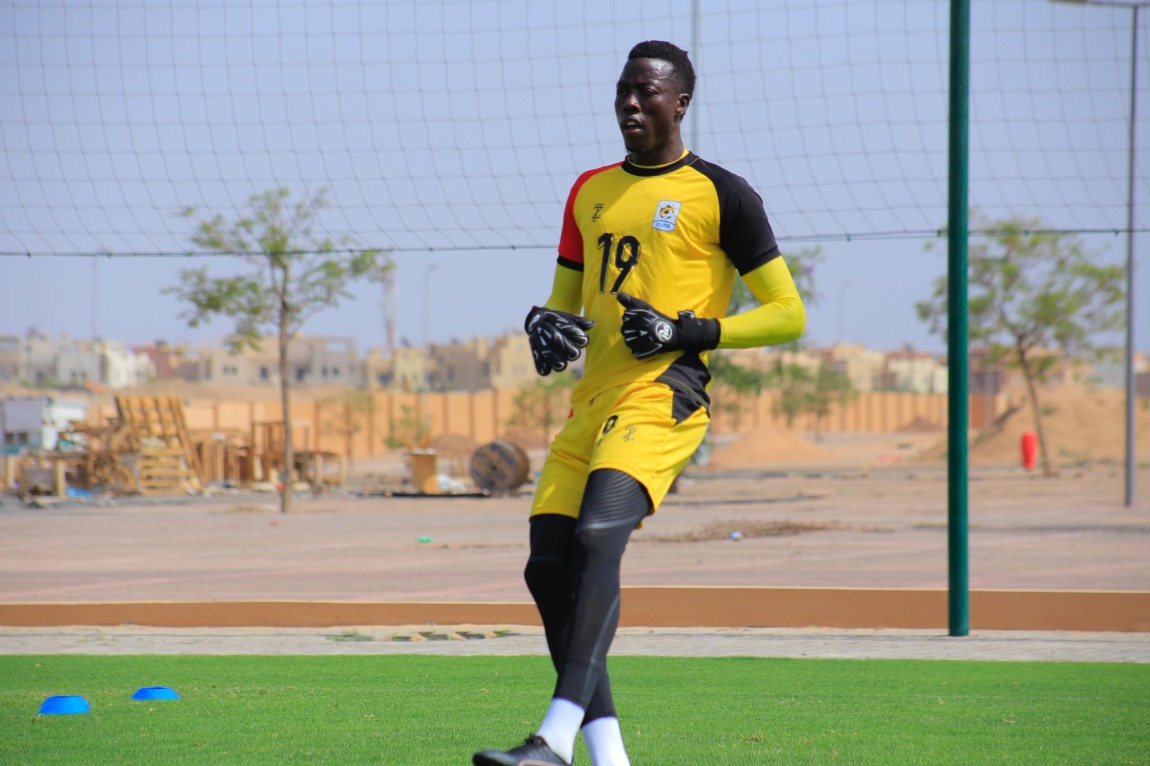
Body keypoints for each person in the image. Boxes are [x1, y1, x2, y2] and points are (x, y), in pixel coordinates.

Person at [472, 40, 805, 766]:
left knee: (598, 538)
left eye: (646, 91)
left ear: (680, 103)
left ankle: (554, 739)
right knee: (546, 567)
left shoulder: (724, 194)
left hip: (664, 395)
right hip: (591, 402)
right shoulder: (588, 191)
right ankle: (611, 758)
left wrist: (688, 331)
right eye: (623, 89)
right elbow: (565, 302)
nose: (630, 102)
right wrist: (545, 326)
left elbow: (789, 313)